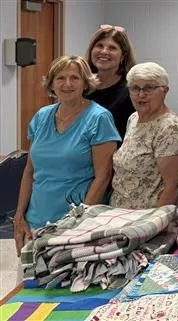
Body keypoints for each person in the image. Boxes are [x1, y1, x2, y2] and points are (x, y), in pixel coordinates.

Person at [13, 56, 120, 256]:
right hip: (35, 220)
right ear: (52, 83)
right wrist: (19, 216)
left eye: (75, 78)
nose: (67, 84)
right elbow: (30, 170)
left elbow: (103, 176)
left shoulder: (99, 118)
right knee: (28, 285)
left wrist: (81, 222)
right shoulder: (41, 116)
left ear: (85, 83)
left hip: (76, 225)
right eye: (61, 78)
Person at [109, 62, 178, 209]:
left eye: (149, 88)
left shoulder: (169, 128)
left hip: (147, 220)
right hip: (120, 215)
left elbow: (174, 186)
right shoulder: (133, 119)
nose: (141, 94)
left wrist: (153, 223)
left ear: (165, 90)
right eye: (135, 88)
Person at [85, 24, 136, 140]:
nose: (104, 51)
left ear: (123, 56)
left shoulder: (132, 91)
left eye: (112, 48)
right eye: (99, 46)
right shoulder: (82, 87)